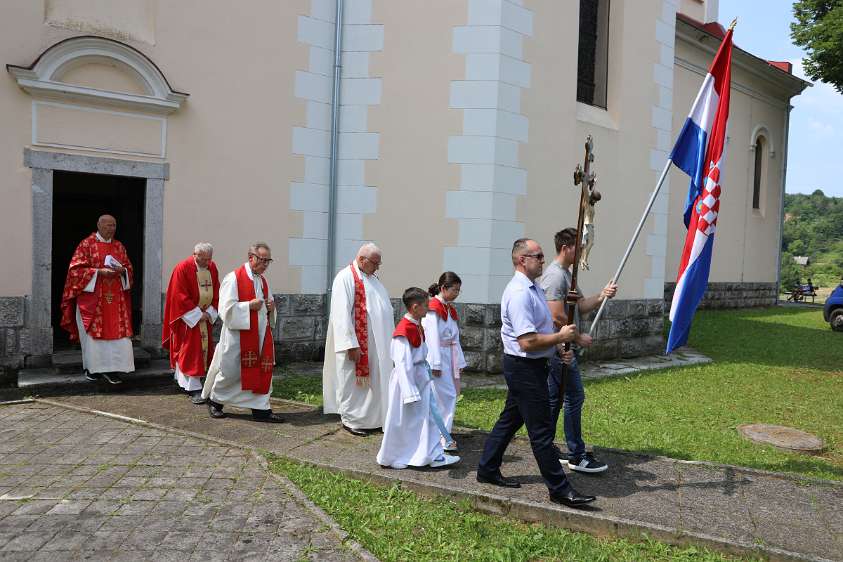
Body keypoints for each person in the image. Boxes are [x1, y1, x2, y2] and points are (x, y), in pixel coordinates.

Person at [476, 238, 595, 508]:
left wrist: (557, 348)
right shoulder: (519, 292)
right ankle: (559, 489)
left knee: (509, 420)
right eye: (538, 256)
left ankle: (487, 468)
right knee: (541, 433)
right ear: (522, 260)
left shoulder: (534, 289)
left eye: (542, 256)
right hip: (524, 368)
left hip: (531, 365)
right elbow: (527, 341)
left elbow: (542, 327)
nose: (543, 260)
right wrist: (560, 337)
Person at [540, 228, 617, 473]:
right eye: (579, 248)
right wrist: (578, 336)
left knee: (555, 399)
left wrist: (602, 295)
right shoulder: (554, 276)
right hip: (560, 349)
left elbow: (580, 306)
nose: (583, 252)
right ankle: (577, 455)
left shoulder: (567, 275)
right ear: (566, 248)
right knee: (574, 397)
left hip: (564, 347)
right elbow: (555, 314)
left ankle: (546, 447)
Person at [377, 287, 460, 469]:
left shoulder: (415, 325)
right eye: (425, 305)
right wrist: (409, 392)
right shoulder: (403, 331)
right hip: (409, 383)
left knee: (425, 419)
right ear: (415, 307)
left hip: (419, 378)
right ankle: (405, 456)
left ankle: (427, 454)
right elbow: (402, 363)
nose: (428, 308)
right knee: (407, 422)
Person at [202, 242, 284, 423]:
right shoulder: (233, 278)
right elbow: (225, 310)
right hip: (238, 337)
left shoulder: (262, 280)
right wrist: (248, 306)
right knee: (231, 371)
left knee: (261, 371)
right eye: (262, 260)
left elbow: (267, 304)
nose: (265, 265)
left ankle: (261, 408)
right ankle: (215, 401)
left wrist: (271, 307)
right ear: (251, 258)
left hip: (260, 335)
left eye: (268, 261)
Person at [322, 243, 394, 436]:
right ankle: (352, 420)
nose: (378, 267)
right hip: (357, 346)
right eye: (375, 263)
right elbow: (340, 314)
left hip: (377, 345)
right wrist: (350, 344)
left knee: (376, 382)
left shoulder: (372, 279)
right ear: (362, 259)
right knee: (353, 383)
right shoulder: (345, 278)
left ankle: (375, 418)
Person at [59, 215, 134, 385]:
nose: (112, 228)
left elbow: (128, 269)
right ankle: (93, 369)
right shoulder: (87, 245)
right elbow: (75, 272)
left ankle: (114, 369)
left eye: (114, 225)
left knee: (118, 337)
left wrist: (123, 271)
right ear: (99, 225)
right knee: (94, 339)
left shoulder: (119, 246)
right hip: (93, 301)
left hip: (116, 301)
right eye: (108, 225)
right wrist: (99, 272)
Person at [162, 242, 221, 404]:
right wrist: (196, 314)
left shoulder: (212, 267)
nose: (207, 263)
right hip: (187, 320)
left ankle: (192, 383)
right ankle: (193, 388)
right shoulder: (182, 268)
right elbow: (178, 295)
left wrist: (209, 312)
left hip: (204, 317)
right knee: (189, 350)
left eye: (209, 259)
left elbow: (216, 289)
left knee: (202, 350)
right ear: (194, 255)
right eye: (203, 260)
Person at [421, 272, 466, 453]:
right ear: (443, 288)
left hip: (448, 355)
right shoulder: (433, 308)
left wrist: (459, 361)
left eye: (458, 290)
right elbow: (431, 337)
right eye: (454, 289)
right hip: (438, 356)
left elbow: (455, 337)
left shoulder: (448, 308)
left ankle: (441, 432)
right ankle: (442, 435)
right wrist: (435, 364)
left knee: (445, 396)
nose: (456, 293)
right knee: (445, 396)